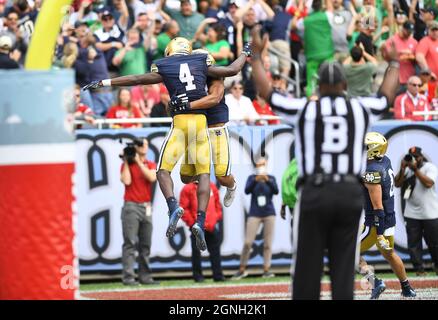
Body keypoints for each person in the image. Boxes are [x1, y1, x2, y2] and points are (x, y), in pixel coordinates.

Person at [250, 24, 400, 300]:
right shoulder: (359, 109)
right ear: (344, 86)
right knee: (343, 269)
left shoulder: (306, 108)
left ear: (318, 85)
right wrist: (393, 61)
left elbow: (268, 94)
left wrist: (257, 58)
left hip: (315, 193)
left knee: (307, 269)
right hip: (349, 194)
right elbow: (386, 97)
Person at [83, 37, 251, 251]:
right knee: (191, 176)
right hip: (200, 124)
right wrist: (245, 53)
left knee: (177, 171)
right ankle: (199, 221)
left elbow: (212, 98)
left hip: (209, 127)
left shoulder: (196, 71)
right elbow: (232, 69)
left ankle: (175, 206)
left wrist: (183, 104)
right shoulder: (199, 64)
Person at [173, 49, 238, 207]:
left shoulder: (214, 76)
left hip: (215, 129)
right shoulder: (186, 79)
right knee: (185, 176)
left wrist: (188, 105)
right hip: (197, 130)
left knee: (222, 177)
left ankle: (232, 186)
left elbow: (214, 98)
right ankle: (202, 176)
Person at [358, 132, 416, 299]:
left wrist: (380, 233)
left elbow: (377, 206)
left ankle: (375, 283)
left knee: (347, 253)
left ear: (373, 150)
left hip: (376, 224)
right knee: (389, 254)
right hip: (389, 219)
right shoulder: (384, 160)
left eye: (366, 147)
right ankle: (406, 288)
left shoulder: (372, 172)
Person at [231, 156, 279, 280]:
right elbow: (247, 190)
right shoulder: (252, 178)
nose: (261, 166)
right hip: (255, 212)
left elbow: (276, 191)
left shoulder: (271, 178)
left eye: (263, 164)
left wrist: (267, 180)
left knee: (268, 243)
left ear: (266, 164)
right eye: (259, 165)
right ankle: (242, 269)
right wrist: (256, 180)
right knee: (248, 242)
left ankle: (266, 269)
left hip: (269, 213)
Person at [120, 137, 159, 286]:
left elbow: (151, 177)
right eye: (141, 144)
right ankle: (129, 277)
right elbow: (126, 181)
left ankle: (145, 277)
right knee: (129, 243)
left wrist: (138, 162)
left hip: (146, 206)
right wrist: (126, 161)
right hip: (131, 206)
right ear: (136, 147)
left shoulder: (150, 164)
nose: (144, 146)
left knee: (145, 244)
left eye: (146, 144)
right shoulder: (127, 165)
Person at [394, 146, 438, 276]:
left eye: (417, 157)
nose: (415, 159)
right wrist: (403, 168)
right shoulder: (407, 170)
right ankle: (419, 270)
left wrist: (416, 170)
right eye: (412, 157)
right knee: (414, 244)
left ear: (421, 157)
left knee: (434, 243)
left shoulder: (430, 167)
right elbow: (397, 184)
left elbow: (429, 184)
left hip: (430, 213)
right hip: (411, 213)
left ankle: (436, 265)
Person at [180, 180, 225, 282]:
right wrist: (192, 223)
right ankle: (198, 276)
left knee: (215, 251)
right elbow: (183, 208)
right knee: (196, 252)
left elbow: (217, 204)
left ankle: (218, 275)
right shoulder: (188, 189)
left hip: (211, 225)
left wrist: (216, 218)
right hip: (197, 226)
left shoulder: (212, 186)